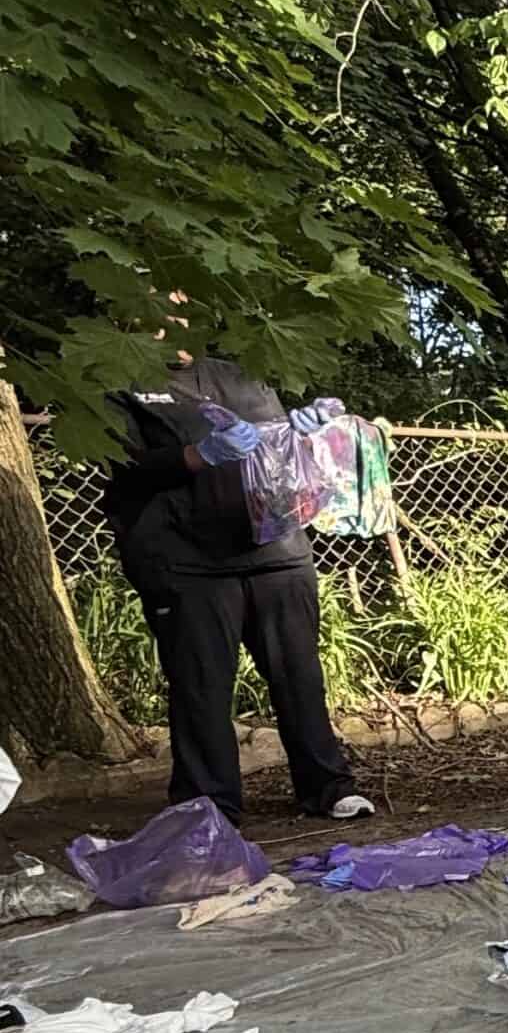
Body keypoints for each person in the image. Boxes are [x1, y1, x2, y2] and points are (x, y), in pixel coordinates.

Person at [103, 319, 372, 827]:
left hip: (277, 551)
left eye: (181, 299)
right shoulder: (118, 382)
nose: (173, 313)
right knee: (201, 686)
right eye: (156, 298)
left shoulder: (244, 374)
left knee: (299, 675)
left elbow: (282, 449)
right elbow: (122, 465)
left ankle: (328, 787)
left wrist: (312, 431)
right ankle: (209, 807)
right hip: (187, 560)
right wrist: (196, 456)